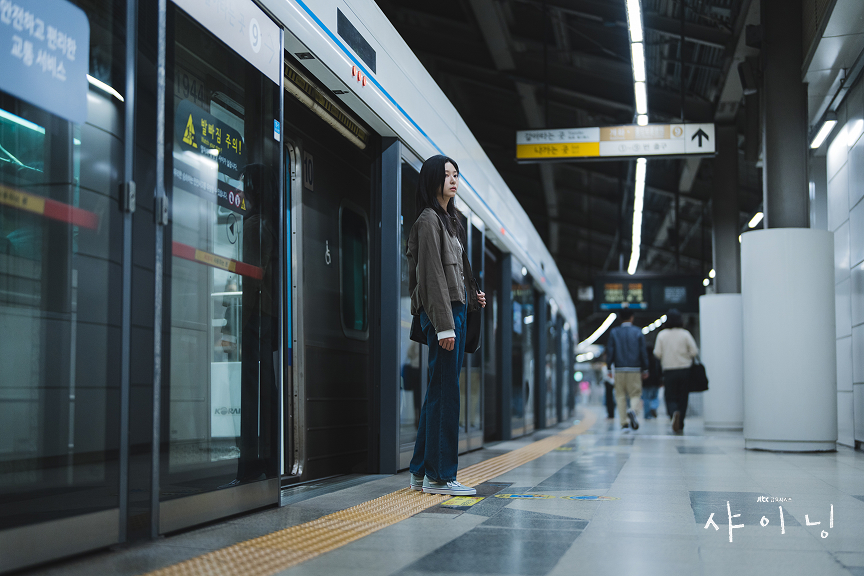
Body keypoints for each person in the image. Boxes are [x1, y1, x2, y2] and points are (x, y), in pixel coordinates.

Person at [406, 154, 486, 496]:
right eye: (447, 174)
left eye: (456, 174)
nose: (453, 180)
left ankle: (420, 471)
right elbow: (432, 277)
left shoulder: (451, 222)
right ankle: (440, 477)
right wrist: (444, 326)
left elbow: (454, 274)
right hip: (443, 315)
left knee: (439, 393)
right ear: (433, 180)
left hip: (456, 311)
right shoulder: (427, 221)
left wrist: (472, 295)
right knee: (446, 395)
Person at [653, 309, 699, 433]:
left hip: (669, 370)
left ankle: (674, 413)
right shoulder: (685, 334)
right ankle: (681, 422)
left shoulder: (662, 335)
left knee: (670, 396)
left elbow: (657, 353)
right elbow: (694, 351)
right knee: (683, 396)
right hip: (685, 369)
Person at [605, 308, 649, 432]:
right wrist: (645, 369)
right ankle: (633, 411)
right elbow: (643, 352)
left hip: (619, 369)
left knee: (620, 395)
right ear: (632, 317)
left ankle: (624, 423)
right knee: (635, 394)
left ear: (619, 318)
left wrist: (609, 367)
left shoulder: (614, 332)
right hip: (634, 369)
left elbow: (610, 351)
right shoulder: (638, 332)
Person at [641, 341, 663, 419]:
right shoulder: (656, 359)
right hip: (655, 381)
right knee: (655, 397)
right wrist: (661, 380)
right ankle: (653, 407)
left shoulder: (643, 360)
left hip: (645, 382)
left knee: (646, 398)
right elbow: (660, 370)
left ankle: (647, 415)